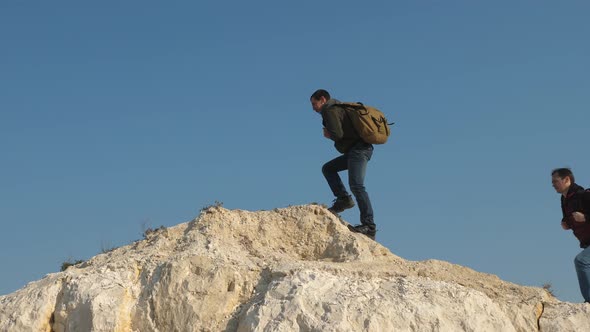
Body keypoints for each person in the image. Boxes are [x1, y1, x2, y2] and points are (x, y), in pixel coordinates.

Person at [310, 89, 376, 239]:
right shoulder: (338, 107)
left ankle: (369, 226)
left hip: (358, 150)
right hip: (358, 150)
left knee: (357, 185)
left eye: (314, 104)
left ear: (322, 99)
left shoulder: (329, 110)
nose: (313, 108)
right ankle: (344, 199)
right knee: (328, 168)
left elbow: (338, 134)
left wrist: (329, 135)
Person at [552, 168, 590, 303]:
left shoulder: (583, 195)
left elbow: (582, 216)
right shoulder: (564, 199)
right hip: (587, 243)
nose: (553, 184)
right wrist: (566, 223)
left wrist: (585, 217)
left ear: (567, 179)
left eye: (555, 181)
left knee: (581, 261)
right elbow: (569, 218)